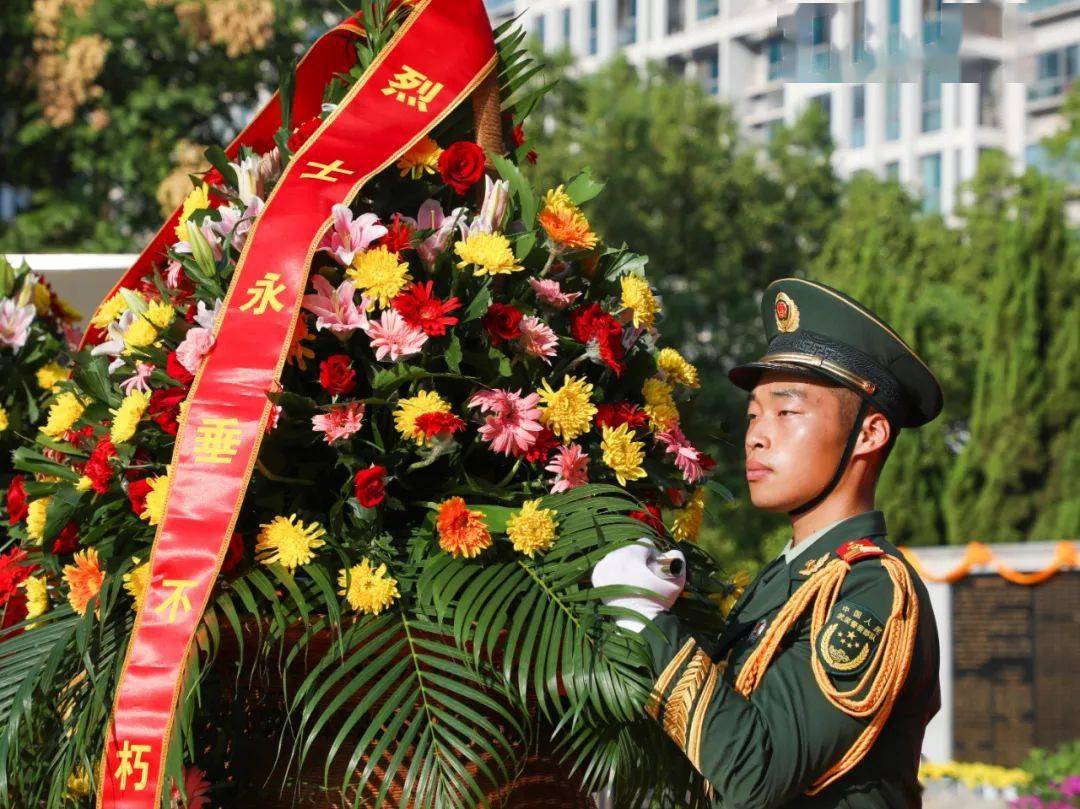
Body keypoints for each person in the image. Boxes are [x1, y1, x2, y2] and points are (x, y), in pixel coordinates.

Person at [593, 278, 943, 808]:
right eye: (754, 414)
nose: (756, 435)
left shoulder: (872, 590)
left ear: (869, 434)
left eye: (787, 412)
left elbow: (758, 774)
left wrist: (649, 621)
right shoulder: (788, 576)